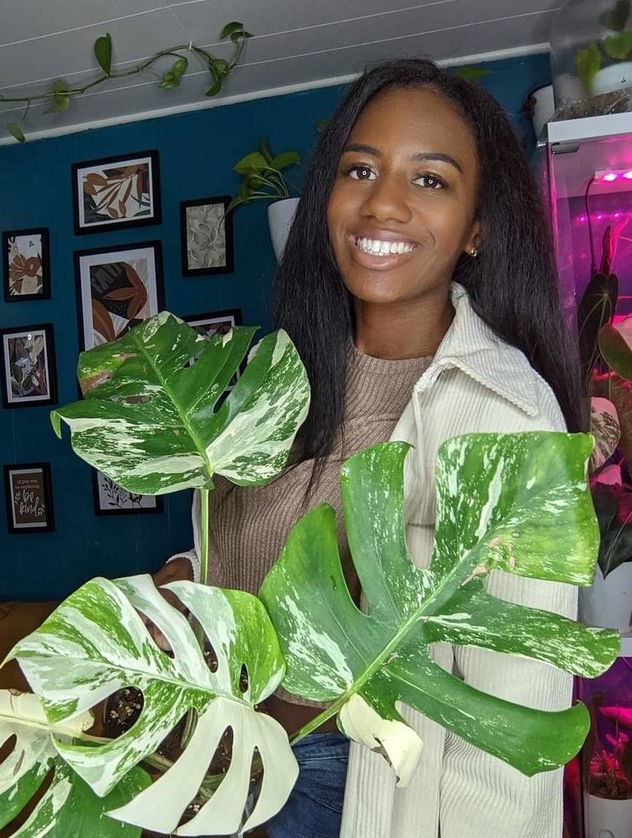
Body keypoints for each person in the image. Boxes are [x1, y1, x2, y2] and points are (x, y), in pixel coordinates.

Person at [155, 57, 582, 838]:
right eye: (361, 168)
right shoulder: (273, 378)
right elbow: (249, 548)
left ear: (478, 224)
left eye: (431, 180)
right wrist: (182, 576)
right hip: (209, 763)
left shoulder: (506, 419)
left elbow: (509, 716)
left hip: (346, 791)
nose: (383, 203)